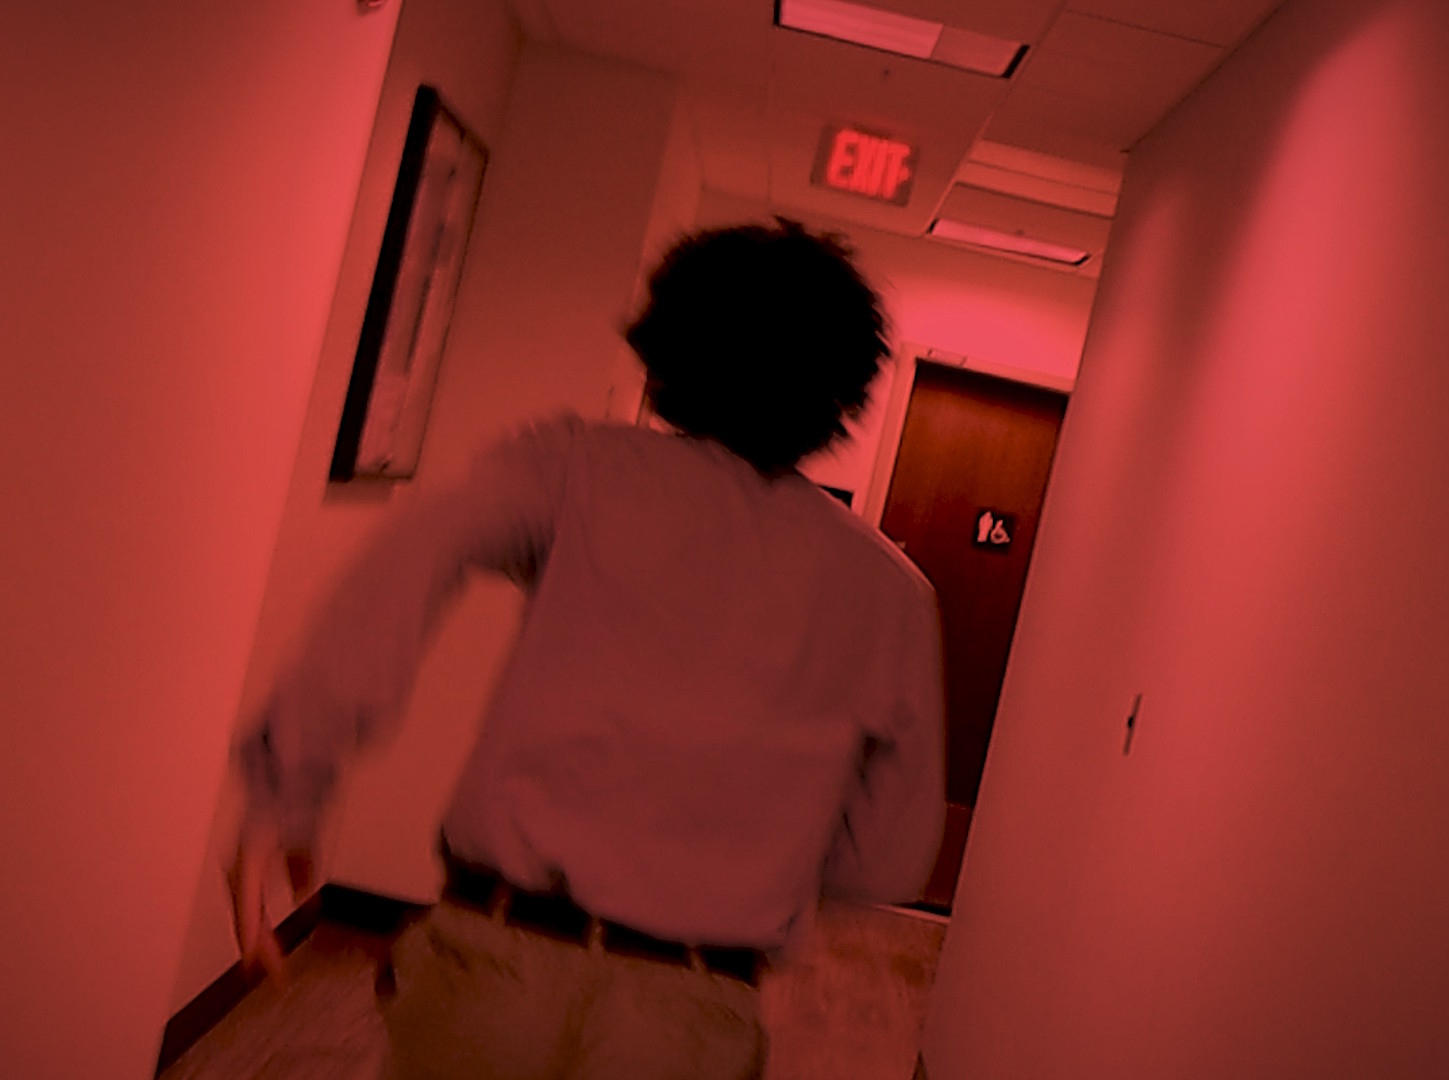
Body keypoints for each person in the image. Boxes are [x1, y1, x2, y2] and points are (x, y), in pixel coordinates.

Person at [227, 219, 946, 1079]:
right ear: (842, 390)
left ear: (665, 350)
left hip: (496, 967)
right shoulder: (892, 595)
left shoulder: (574, 468)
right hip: (690, 1012)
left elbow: (405, 566)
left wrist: (289, 782)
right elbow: (889, 860)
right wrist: (757, 844)